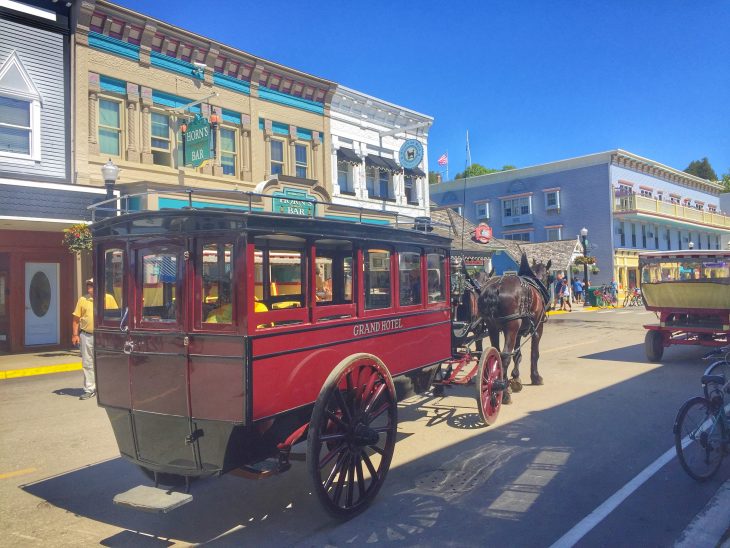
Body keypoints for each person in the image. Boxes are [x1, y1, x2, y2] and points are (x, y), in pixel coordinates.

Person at [72, 278, 96, 400]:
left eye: (91, 285)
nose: (89, 287)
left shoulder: (108, 298)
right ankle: (90, 389)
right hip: (86, 335)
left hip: (104, 336)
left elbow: (116, 315)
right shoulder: (82, 300)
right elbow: (76, 319)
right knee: (87, 363)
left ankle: (105, 388)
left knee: (106, 362)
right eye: (88, 285)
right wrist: (75, 335)